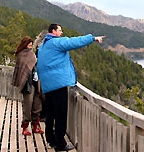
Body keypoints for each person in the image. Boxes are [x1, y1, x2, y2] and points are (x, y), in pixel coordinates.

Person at [34, 23, 100, 151]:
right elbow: (75, 42)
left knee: (50, 114)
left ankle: (51, 140)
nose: (61, 32)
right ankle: (60, 143)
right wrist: (92, 38)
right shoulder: (57, 43)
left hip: (48, 86)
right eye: (60, 30)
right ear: (53, 31)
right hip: (58, 85)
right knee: (60, 115)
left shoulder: (43, 47)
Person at [10, 35, 43, 135]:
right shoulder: (21, 55)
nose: (30, 46)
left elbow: (36, 65)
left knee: (37, 104)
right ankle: (25, 127)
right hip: (26, 84)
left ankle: (35, 126)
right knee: (27, 105)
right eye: (29, 44)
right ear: (25, 44)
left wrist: (36, 73)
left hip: (35, 82)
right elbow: (22, 70)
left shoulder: (32, 54)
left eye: (31, 45)